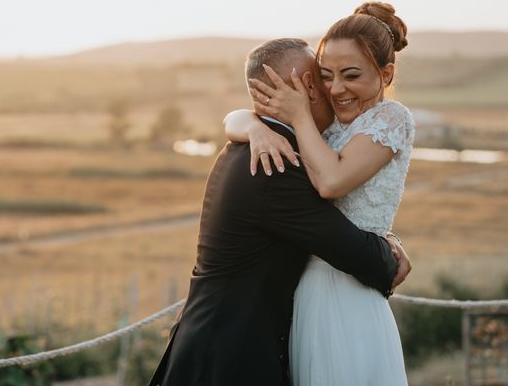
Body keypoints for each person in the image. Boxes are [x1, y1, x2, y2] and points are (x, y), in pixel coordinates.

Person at [148, 37, 411, 386]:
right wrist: (390, 252)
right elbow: (362, 256)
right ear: (306, 86)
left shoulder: (249, 144)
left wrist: (252, 123)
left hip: (216, 345)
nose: (333, 90)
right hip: (229, 360)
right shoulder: (276, 165)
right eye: (323, 76)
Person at [225, 2, 413, 385]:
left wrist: (297, 117)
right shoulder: (326, 127)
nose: (336, 89)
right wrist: (258, 129)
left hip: (348, 289)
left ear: (386, 73)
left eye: (351, 75)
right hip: (306, 291)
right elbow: (232, 118)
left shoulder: (391, 119)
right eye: (326, 76)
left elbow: (331, 183)